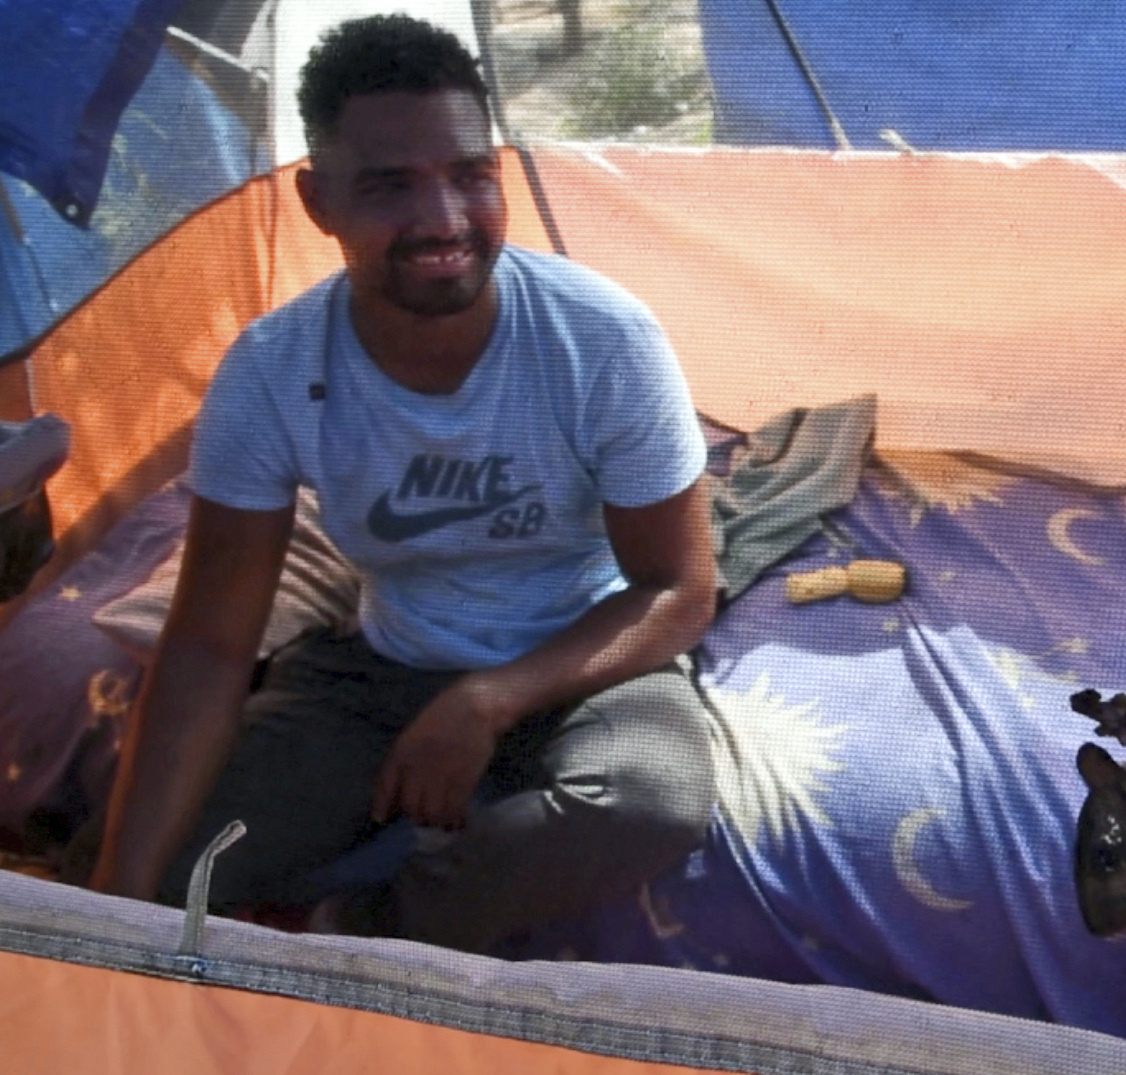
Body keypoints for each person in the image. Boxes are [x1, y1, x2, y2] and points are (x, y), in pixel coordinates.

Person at [87, 13, 719, 954]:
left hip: (584, 654)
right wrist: (113, 913)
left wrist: (486, 700)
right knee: (181, 867)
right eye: (389, 187)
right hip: (383, 667)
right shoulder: (271, 375)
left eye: (470, 176)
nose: (441, 221)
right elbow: (212, 644)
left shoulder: (603, 341)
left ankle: (367, 934)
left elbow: (677, 589)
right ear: (318, 202)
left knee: (649, 800)